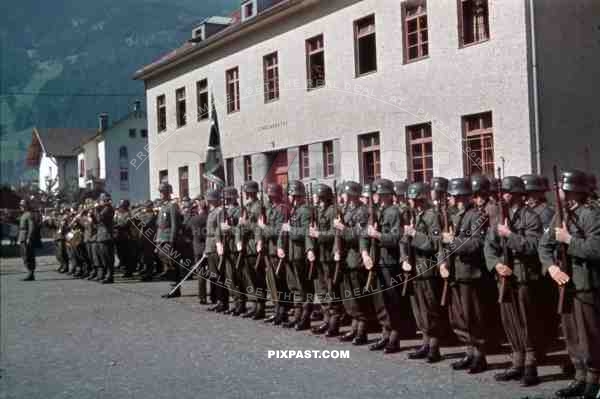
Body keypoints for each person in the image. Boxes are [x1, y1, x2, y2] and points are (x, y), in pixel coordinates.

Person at [539, 170, 600, 399]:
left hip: (586, 283)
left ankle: (594, 379)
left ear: (575, 191)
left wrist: (570, 241)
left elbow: (596, 248)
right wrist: (551, 268)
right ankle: (579, 376)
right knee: (571, 333)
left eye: (564, 189)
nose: (561, 193)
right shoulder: (560, 216)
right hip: (565, 283)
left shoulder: (591, 215)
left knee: (589, 334)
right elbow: (543, 246)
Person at [484, 176, 543, 386]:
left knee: (527, 321)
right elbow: (489, 246)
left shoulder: (531, 217)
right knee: (509, 320)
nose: (503, 196)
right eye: (503, 192)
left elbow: (533, 246)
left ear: (518, 194)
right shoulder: (500, 216)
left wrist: (510, 235)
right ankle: (517, 361)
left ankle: (531, 365)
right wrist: (495, 264)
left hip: (523, 276)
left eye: (508, 192)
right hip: (504, 275)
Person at [440, 178, 488, 374]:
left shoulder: (477, 215)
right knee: (459, 317)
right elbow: (442, 243)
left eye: (451, 195)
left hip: (470, 273)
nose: (449, 198)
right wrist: (442, 262)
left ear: (460, 196)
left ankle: (479, 356)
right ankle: (469, 352)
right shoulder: (453, 216)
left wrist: (454, 241)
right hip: (454, 273)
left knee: (473, 317)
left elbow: (476, 244)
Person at [404, 181, 444, 363]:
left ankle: (434, 346)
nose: (410, 201)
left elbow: (434, 243)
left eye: (412, 198)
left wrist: (414, 235)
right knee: (419, 308)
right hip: (415, 268)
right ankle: (425, 342)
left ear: (419, 199)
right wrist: (404, 257)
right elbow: (403, 241)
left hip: (427, 268)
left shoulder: (431, 216)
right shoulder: (415, 215)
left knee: (430, 308)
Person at [364, 179, 404, 354]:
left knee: (392, 300)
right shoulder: (375, 212)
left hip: (390, 261)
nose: (378, 198)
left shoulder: (394, 212)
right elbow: (364, 234)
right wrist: (365, 253)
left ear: (388, 195)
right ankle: (385, 333)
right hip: (377, 261)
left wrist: (379, 235)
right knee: (380, 300)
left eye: (381, 195)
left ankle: (394, 336)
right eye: (377, 195)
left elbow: (396, 238)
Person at [336, 181, 374, 345]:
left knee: (359, 296)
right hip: (346, 258)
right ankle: (354, 326)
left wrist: (342, 228)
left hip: (356, 258)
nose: (342, 196)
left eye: (345, 193)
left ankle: (362, 329)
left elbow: (359, 235)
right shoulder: (345, 210)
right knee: (349, 296)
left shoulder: (362, 211)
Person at [278, 180, 312, 330]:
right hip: (290, 253)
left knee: (303, 287)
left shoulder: (305, 211)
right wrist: (280, 246)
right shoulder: (292, 210)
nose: (289, 198)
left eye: (291, 195)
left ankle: (305, 318)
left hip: (299, 253)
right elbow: (283, 231)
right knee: (294, 286)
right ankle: (297, 316)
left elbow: (306, 232)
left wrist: (290, 230)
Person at [307, 183, 340, 336]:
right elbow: (309, 231)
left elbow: (335, 233)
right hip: (318, 255)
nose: (315, 199)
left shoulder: (333, 210)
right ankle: (326, 319)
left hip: (328, 256)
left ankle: (333, 322)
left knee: (330, 289)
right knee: (321, 289)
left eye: (317, 197)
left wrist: (318, 235)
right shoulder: (317, 210)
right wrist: (310, 249)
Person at [258, 183, 290, 325]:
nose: (270, 197)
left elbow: (278, 231)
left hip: (278, 250)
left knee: (280, 282)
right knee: (272, 282)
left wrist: (264, 227)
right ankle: (277, 310)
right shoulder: (271, 209)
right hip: (269, 249)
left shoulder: (282, 209)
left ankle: (283, 312)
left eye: (272, 195)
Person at [236, 181, 266, 319]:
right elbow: (239, 227)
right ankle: (255, 304)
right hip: (246, 246)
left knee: (258, 278)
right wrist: (239, 240)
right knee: (251, 278)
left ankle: (261, 306)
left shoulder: (259, 206)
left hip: (254, 245)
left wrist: (244, 223)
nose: (247, 194)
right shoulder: (247, 206)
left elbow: (258, 227)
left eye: (248, 192)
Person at [156, 183, 181, 297]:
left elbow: (175, 225)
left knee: (172, 263)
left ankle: (175, 289)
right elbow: (159, 225)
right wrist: (157, 239)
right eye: (160, 192)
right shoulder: (163, 206)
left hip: (168, 238)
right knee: (165, 260)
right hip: (162, 237)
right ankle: (172, 285)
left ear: (167, 192)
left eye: (163, 192)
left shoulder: (172, 205)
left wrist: (172, 240)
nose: (161, 194)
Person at [189, 196, 208, 303]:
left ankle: (202, 296)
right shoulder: (209, 217)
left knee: (201, 273)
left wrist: (190, 212)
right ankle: (214, 296)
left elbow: (186, 226)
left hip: (197, 248)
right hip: (208, 247)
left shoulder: (194, 219)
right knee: (213, 273)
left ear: (199, 208)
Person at [95, 193, 115, 284]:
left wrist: (96, 209)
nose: (100, 202)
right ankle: (107, 275)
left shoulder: (108, 208)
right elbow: (96, 221)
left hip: (106, 236)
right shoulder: (103, 209)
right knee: (103, 257)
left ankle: (109, 276)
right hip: (102, 236)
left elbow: (100, 218)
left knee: (107, 257)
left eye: (101, 200)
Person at [18, 199, 40, 281]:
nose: (21, 207)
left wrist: (29, 238)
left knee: (28, 255)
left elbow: (32, 227)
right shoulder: (23, 214)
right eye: (20, 205)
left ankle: (31, 273)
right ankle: (29, 272)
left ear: (27, 206)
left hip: (26, 237)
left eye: (22, 205)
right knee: (24, 255)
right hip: (22, 236)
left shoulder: (29, 214)